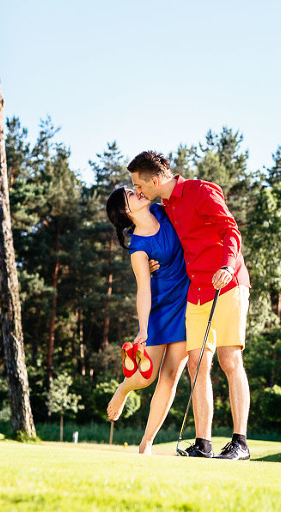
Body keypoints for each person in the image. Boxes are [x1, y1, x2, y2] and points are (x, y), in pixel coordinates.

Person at [128, 150, 251, 460]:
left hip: (229, 282)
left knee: (229, 359)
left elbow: (230, 231)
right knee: (196, 366)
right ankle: (203, 443)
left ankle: (240, 444)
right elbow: (156, 237)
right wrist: (158, 262)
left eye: (139, 186)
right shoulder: (163, 208)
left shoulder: (201, 191)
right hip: (196, 292)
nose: (138, 193)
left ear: (155, 180)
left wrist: (225, 265)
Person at [105, 186, 190, 455]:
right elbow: (143, 288)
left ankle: (147, 443)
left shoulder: (161, 209)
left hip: (186, 304)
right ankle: (123, 388)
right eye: (131, 194)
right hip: (159, 309)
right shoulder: (138, 247)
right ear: (126, 211)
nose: (138, 192)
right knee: (145, 376)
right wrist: (143, 327)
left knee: (172, 375)